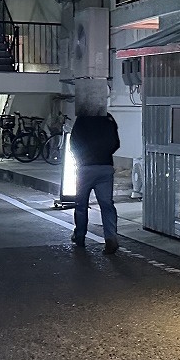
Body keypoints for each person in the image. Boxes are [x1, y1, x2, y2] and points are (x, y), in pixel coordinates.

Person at [68, 94, 121, 254]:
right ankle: (110, 238)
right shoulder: (108, 119)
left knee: (81, 205)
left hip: (85, 168)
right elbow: (115, 143)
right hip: (105, 167)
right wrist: (104, 154)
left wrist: (81, 158)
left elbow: (73, 144)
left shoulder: (82, 120)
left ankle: (80, 236)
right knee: (107, 204)